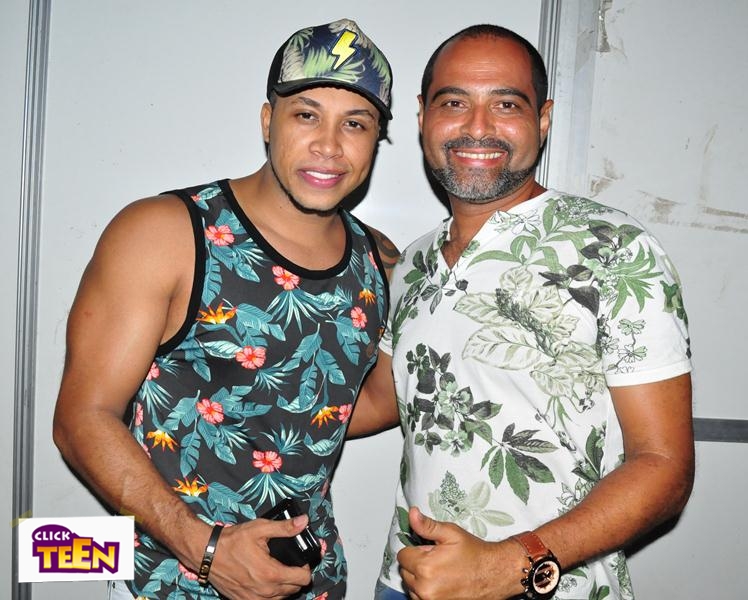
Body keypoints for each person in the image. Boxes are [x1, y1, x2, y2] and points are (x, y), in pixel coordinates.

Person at [53, 18, 399, 600]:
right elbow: (82, 418)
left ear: (376, 139)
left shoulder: (379, 261)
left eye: (355, 123)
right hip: (169, 581)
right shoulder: (164, 233)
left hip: (314, 583)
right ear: (268, 121)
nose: (329, 145)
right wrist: (208, 550)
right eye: (306, 114)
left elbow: (360, 404)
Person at [349, 24, 694, 600]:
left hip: (552, 587)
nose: (477, 126)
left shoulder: (615, 249)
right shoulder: (413, 263)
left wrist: (508, 564)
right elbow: (381, 399)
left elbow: (663, 465)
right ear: (423, 116)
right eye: (454, 103)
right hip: (408, 580)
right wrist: (227, 396)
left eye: (506, 104)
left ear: (544, 119)